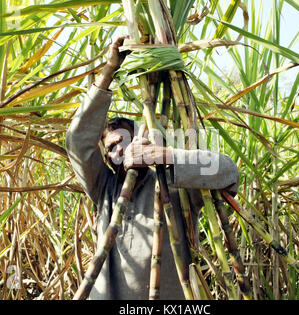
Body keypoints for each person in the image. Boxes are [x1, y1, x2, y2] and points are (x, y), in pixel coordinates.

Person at [65, 37, 239, 300]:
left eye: (126, 140)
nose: (120, 150)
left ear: (142, 139)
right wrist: (109, 70)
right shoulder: (104, 188)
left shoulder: (174, 181)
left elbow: (228, 172)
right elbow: (77, 141)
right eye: (111, 147)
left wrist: (166, 156)